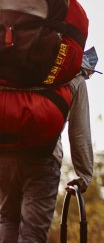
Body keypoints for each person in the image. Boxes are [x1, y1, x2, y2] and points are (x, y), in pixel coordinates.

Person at [0, 51, 96, 243]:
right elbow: (79, 132)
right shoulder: (73, 74)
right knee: (32, 234)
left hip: (5, 150)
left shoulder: (13, 57)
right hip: (44, 156)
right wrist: (84, 175)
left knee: (8, 221)